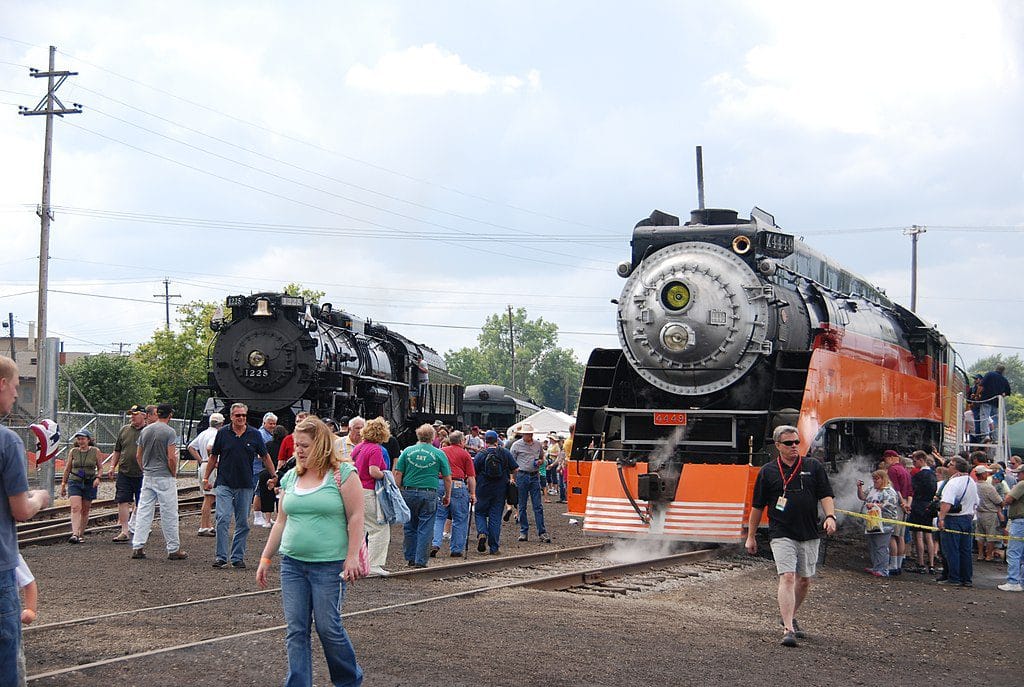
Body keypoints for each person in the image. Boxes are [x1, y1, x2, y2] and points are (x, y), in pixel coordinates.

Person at [256, 417, 365, 687]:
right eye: (296, 445)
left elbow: (356, 517)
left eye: (305, 445)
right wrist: (266, 557)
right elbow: (281, 520)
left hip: (329, 566)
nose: (299, 450)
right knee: (296, 630)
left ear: (322, 445)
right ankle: (298, 683)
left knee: (328, 628)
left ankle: (349, 680)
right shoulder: (292, 475)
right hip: (293, 564)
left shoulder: (343, 474)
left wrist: (352, 556)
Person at [744, 424, 836, 648]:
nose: (794, 446)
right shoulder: (768, 471)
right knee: (787, 576)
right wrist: (751, 536)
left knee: (804, 580)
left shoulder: (813, 466)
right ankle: (788, 629)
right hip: (781, 531)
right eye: (789, 443)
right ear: (778, 446)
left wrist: (830, 516)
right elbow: (757, 506)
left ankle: (789, 614)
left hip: (809, 531)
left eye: (797, 442)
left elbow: (825, 494)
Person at [1, 354, 51, 685]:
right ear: (2, 384)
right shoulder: (7, 441)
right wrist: (40, 499)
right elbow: (20, 510)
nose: (18, 395)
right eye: (17, 387)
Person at [206, 403, 275, 569]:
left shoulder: (254, 434)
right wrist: (206, 477)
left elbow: (265, 456)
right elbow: (214, 456)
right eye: (238, 415)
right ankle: (221, 557)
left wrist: (274, 475)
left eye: (244, 415)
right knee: (222, 518)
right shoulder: (223, 433)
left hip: (245, 483)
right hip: (224, 482)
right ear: (231, 417)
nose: (241, 418)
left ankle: (237, 557)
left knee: (242, 522)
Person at [131, 403, 188, 561]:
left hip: (148, 475)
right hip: (164, 476)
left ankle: (138, 545)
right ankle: (173, 548)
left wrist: (145, 469)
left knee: (143, 511)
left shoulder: (146, 430)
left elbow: (138, 455)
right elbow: (171, 456)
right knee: (169, 512)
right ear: (170, 415)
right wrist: (173, 472)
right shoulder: (170, 431)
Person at [394, 424, 451, 568]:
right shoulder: (439, 453)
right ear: (433, 437)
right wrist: (447, 495)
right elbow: (447, 477)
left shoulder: (407, 451)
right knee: (426, 527)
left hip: (408, 491)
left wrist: (397, 492)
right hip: (429, 492)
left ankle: (410, 557)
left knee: (409, 525)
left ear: (418, 435)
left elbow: (398, 473)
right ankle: (421, 560)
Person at [352, 417, 392, 576]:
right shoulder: (375, 449)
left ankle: (358, 563)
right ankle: (374, 564)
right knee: (379, 528)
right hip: (369, 491)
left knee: (359, 528)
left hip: (355, 490)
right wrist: (386, 475)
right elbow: (373, 471)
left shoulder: (359, 447)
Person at [936, 457, 979, 587]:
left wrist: (941, 518)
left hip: (953, 519)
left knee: (951, 549)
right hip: (968, 518)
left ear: (956, 468)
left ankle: (954, 577)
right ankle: (966, 578)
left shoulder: (953, 483)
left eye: (951, 465)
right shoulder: (971, 481)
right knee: (965, 550)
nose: (948, 466)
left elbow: (946, 502)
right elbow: (977, 501)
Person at [432, 430, 476, 558]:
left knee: (438, 516)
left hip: (440, 483)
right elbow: (471, 477)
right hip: (457, 484)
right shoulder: (465, 454)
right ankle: (456, 548)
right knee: (460, 517)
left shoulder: (441, 452)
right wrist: (473, 494)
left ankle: (435, 543)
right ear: (462, 441)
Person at [473, 430, 517, 554]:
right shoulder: (504, 453)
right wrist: (510, 478)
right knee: (495, 517)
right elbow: (516, 468)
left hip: (482, 488)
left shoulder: (481, 454)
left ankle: (482, 533)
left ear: (485, 441)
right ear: (497, 440)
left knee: (480, 513)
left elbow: (473, 472)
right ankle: (494, 547)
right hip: (500, 489)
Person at [109, 404, 147, 542]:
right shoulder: (124, 430)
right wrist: (113, 466)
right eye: (131, 414)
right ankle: (124, 530)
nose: (132, 416)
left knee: (142, 502)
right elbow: (117, 450)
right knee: (122, 500)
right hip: (125, 471)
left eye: (135, 414)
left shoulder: (148, 431)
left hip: (143, 472)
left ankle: (140, 528)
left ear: (144, 415)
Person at [60, 429, 102, 543]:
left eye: (83, 439)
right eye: (79, 439)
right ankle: (74, 534)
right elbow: (68, 468)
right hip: (75, 481)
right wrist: (63, 483)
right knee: (75, 507)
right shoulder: (73, 451)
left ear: (88, 440)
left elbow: (100, 467)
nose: (81, 441)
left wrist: (98, 478)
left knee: (85, 509)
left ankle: (80, 533)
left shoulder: (95, 451)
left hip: (89, 481)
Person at [511, 423, 551, 543]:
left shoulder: (538, 445)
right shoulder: (516, 446)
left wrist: (540, 462)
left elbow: (542, 458)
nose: (530, 435)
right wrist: (512, 477)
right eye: (527, 433)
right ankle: (524, 531)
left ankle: (541, 532)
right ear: (523, 434)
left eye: (530, 433)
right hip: (522, 475)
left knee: (537, 505)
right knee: (522, 505)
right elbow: (512, 463)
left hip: (534, 476)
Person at [856, 470, 900, 577]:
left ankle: (883, 569)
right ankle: (876, 566)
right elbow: (862, 497)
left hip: (885, 523)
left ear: (883, 479)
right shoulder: (872, 489)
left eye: (877, 479)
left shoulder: (889, 491)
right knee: (873, 545)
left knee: (881, 546)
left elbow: (889, 504)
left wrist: (874, 505)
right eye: (873, 478)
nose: (875, 481)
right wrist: (859, 488)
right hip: (872, 522)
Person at [187, 412, 224, 537]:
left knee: (208, 497)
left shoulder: (204, 433)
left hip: (204, 465)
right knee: (209, 498)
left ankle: (207, 525)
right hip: (211, 466)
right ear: (221, 423)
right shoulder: (216, 434)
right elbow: (210, 448)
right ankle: (204, 526)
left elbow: (191, 447)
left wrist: (200, 460)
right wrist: (214, 461)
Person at [881, 450, 911, 575]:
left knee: (892, 535)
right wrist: (908, 504)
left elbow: (895, 489)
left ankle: (893, 565)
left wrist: (902, 503)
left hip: (896, 506)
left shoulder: (893, 470)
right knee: (901, 536)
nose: (885, 462)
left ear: (891, 458)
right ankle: (898, 564)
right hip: (905, 505)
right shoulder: (905, 470)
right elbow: (910, 490)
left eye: (886, 459)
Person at [907, 450, 938, 573]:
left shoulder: (919, 475)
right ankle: (931, 564)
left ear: (921, 460)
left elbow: (913, 489)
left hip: (918, 505)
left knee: (918, 535)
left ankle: (920, 563)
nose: (914, 464)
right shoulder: (933, 474)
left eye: (915, 461)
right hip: (929, 505)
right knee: (928, 535)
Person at [254, 425, 289, 529]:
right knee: (280, 495)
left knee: (265, 495)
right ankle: (279, 518)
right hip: (280, 472)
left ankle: (267, 520)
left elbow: (260, 456)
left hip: (266, 471)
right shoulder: (284, 444)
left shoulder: (268, 444)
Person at [998, 464, 1024, 592]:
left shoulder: (1022, 484)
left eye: (1019, 473)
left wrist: (1002, 503)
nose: (1017, 476)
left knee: (1014, 552)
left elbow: (1008, 499)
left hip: (1019, 521)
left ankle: (1013, 581)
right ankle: (1021, 581)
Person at [974, 465, 1004, 562]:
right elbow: (998, 501)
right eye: (986, 473)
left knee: (980, 535)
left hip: (979, 512)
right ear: (982, 474)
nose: (987, 474)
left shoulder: (974, 485)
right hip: (990, 513)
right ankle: (988, 555)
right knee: (991, 536)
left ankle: (980, 554)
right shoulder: (989, 487)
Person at [254, 413, 278, 526]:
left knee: (264, 492)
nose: (272, 425)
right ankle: (257, 516)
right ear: (264, 423)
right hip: (259, 466)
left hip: (266, 467)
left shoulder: (269, 434)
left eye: (274, 423)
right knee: (258, 492)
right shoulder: (261, 434)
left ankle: (264, 516)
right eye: (270, 423)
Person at [980, 364, 1012, 439]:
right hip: (996, 402)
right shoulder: (1004, 379)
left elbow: (981, 386)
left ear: (996, 368)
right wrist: (1002, 395)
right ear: (1003, 371)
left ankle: (985, 435)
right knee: (995, 419)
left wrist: (977, 395)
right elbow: (1007, 392)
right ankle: (996, 437)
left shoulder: (989, 374)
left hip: (986, 400)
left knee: (985, 417)